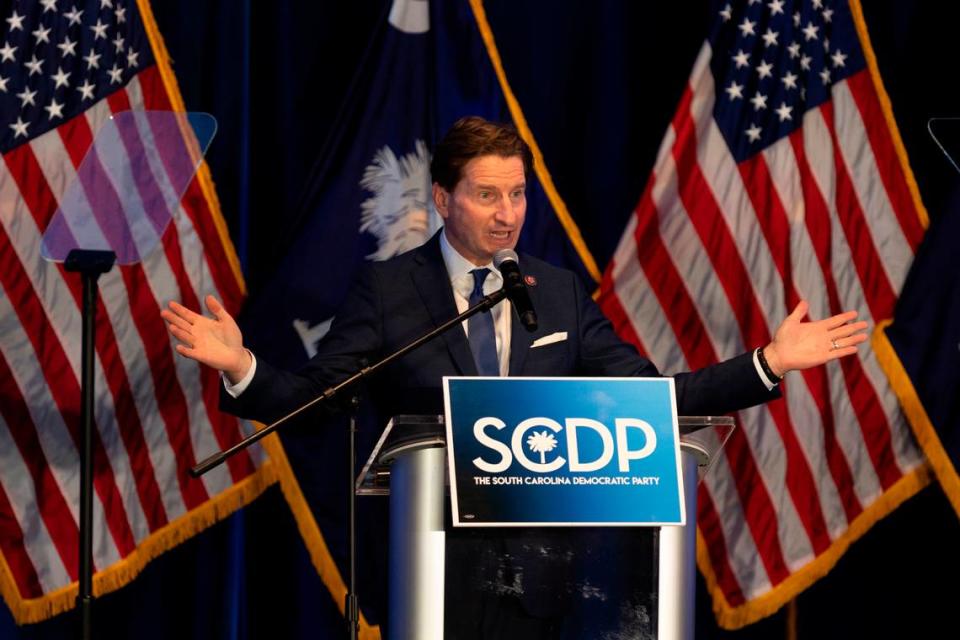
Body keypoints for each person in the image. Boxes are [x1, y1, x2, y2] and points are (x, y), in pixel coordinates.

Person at [162, 116, 867, 637]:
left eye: (519, 195)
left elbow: (648, 399)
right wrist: (242, 367)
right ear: (442, 199)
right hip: (429, 574)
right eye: (487, 196)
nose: (508, 216)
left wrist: (767, 364)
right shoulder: (388, 294)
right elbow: (315, 405)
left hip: (550, 582)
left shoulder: (555, 291)